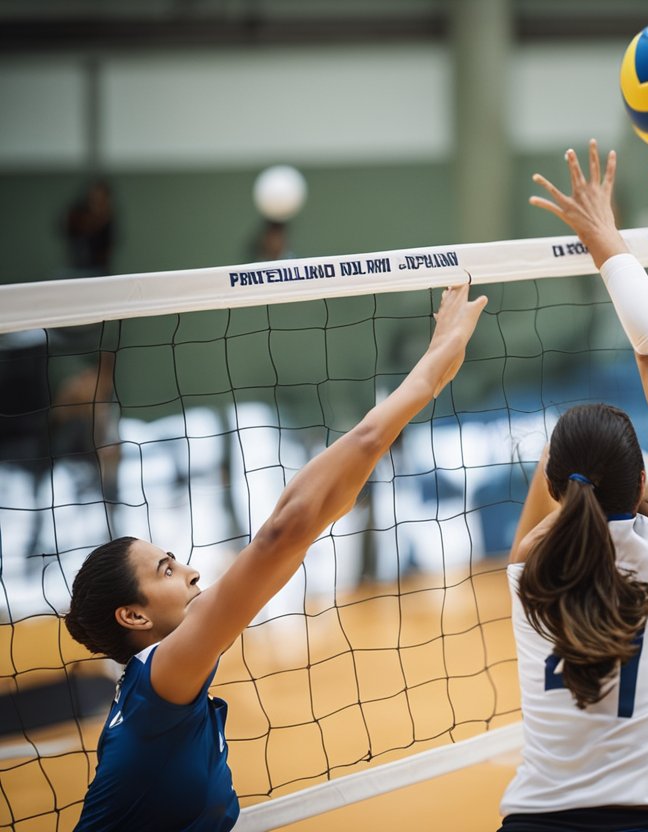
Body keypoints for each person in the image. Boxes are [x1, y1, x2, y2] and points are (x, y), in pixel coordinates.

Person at [64, 283, 487, 831]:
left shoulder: (160, 681)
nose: (191, 570)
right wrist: (426, 374)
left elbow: (308, 517)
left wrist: (396, 415)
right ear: (135, 616)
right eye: (166, 570)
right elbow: (283, 533)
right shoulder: (165, 671)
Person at [499, 141, 648, 832]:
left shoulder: (528, 564)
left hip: (536, 820)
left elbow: (564, 487)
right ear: (644, 475)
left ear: (555, 480)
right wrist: (607, 241)